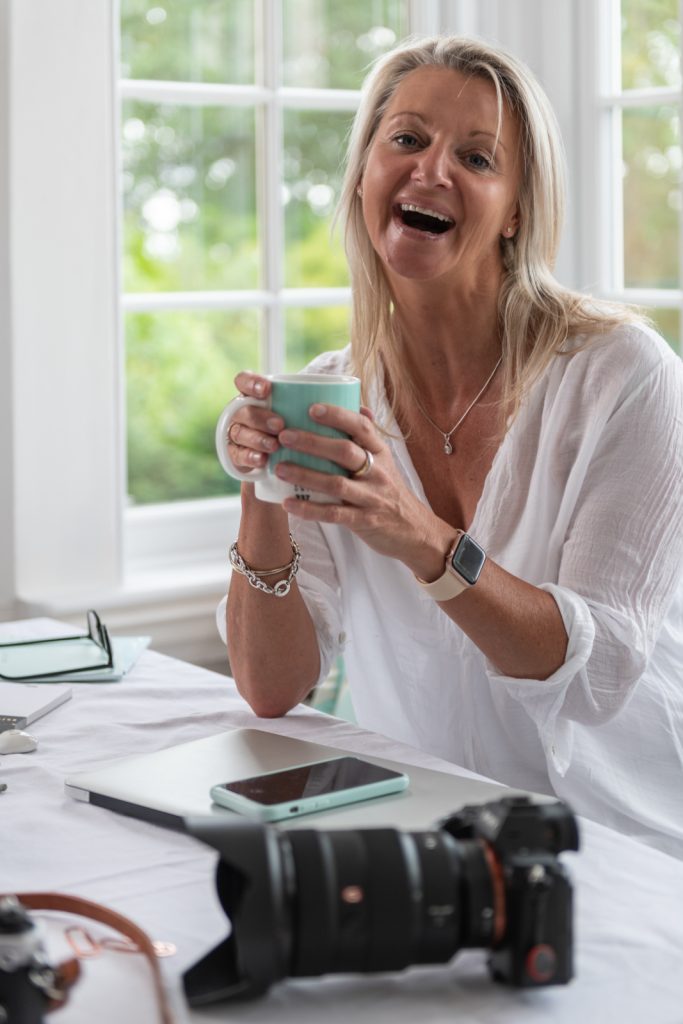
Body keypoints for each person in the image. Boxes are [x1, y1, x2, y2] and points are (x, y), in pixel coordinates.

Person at [216, 36, 683, 858]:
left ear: (517, 212)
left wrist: (420, 537)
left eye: (475, 156)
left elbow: (600, 674)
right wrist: (263, 489)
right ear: (363, 173)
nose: (431, 170)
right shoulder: (334, 395)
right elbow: (271, 687)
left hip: (626, 843)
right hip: (432, 840)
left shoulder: (621, 375)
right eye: (405, 138)